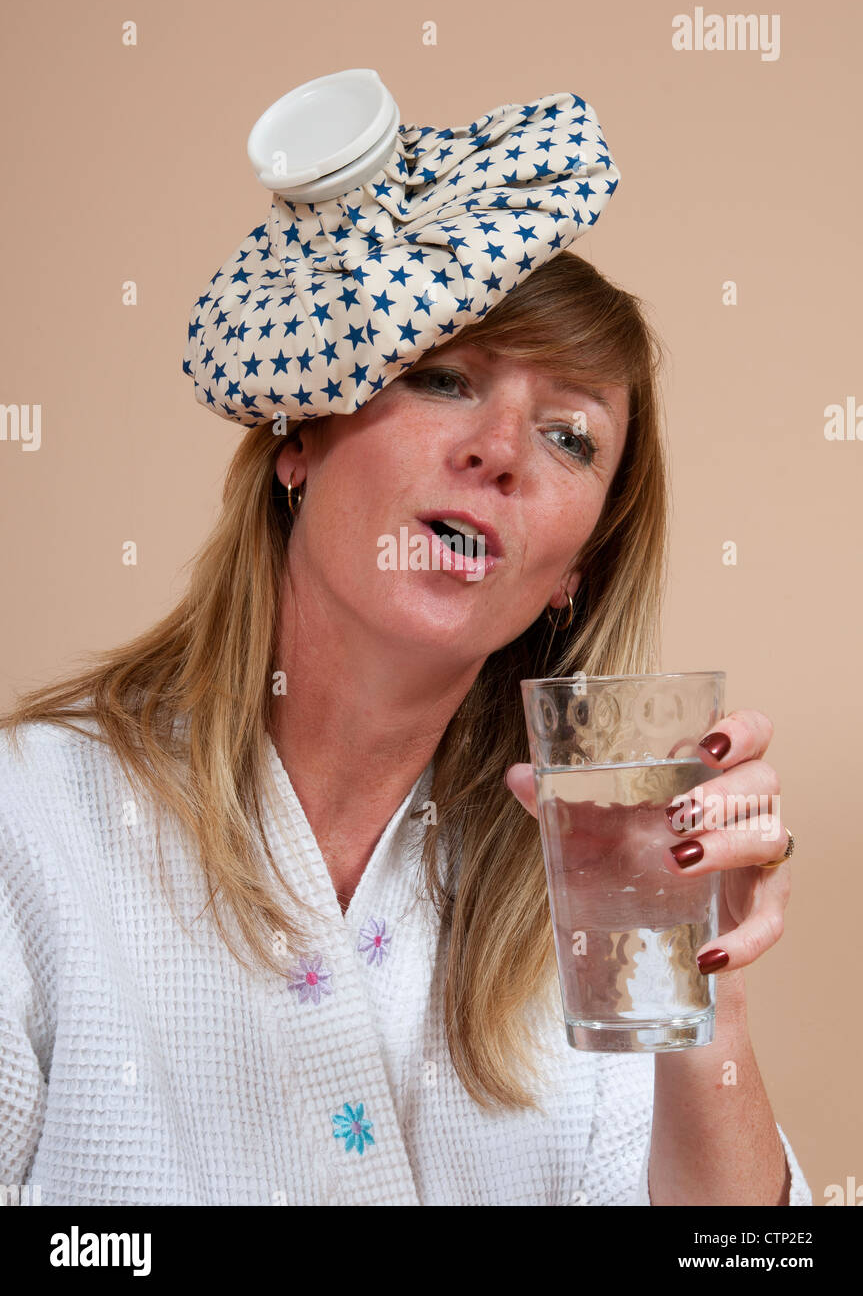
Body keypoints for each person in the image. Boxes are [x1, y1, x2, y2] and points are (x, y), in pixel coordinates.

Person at [0, 80, 811, 1206]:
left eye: (569, 437)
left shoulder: (589, 894)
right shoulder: (34, 821)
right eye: (443, 379)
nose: (499, 450)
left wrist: (698, 1004)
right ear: (301, 438)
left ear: (571, 573)